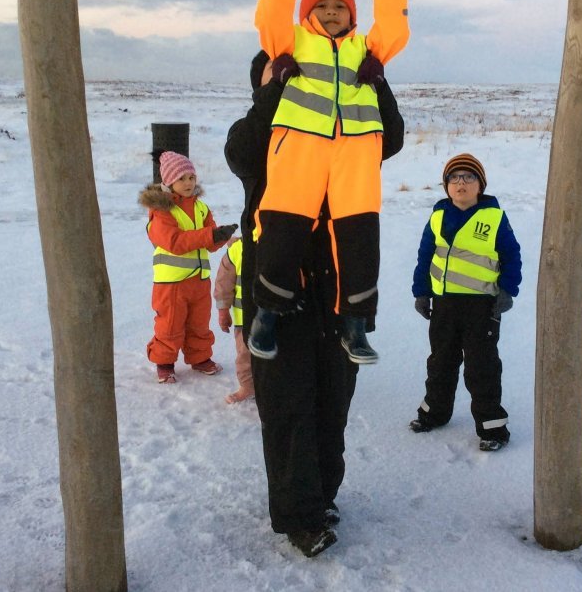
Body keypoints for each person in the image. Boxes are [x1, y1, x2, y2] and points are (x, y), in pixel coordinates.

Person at [226, 49, 403, 556]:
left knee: (332, 397)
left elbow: (390, 140)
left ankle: (323, 495)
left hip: (337, 289)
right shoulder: (261, 132)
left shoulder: (344, 132)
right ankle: (299, 516)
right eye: (279, 71)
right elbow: (241, 155)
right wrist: (274, 93)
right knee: (287, 403)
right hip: (275, 292)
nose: (296, 76)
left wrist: (377, 87)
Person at [247, 0, 410, 365]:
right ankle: (266, 314)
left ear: (353, 16)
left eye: (340, 7)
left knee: (359, 236)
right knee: (282, 226)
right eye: (323, 6)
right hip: (300, 145)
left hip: (356, 149)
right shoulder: (294, 41)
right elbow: (270, 17)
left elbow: (394, 32)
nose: (332, 12)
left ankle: (356, 326)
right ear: (307, 13)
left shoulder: (365, 49)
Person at [410, 154, 522, 452]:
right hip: (444, 305)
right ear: (446, 185)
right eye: (454, 178)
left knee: (481, 366)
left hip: (481, 308)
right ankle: (433, 413)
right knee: (440, 362)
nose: (461, 183)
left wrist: (507, 290)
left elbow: (512, 256)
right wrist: (421, 292)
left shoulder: (494, 218)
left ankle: (492, 427)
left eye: (469, 177)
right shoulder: (437, 217)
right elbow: (425, 256)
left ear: (480, 185)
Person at [139, 150, 237, 383]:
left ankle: (200, 358)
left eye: (191, 177)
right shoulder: (162, 211)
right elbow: (175, 242)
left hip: (199, 280)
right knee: (170, 324)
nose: (188, 183)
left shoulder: (201, 208)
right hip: (172, 283)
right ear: (168, 181)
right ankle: (164, 362)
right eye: (181, 178)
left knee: (199, 323)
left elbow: (209, 242)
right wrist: (210, 235)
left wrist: (222, 236)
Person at [213, 236, 255, 404]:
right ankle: (248, 387)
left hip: (275, 318)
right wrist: (223, 311)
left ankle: (273, 387)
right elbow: (223, 284)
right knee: (245, 356)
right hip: (244, 319)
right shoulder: (237, 249)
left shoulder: (279, 241)